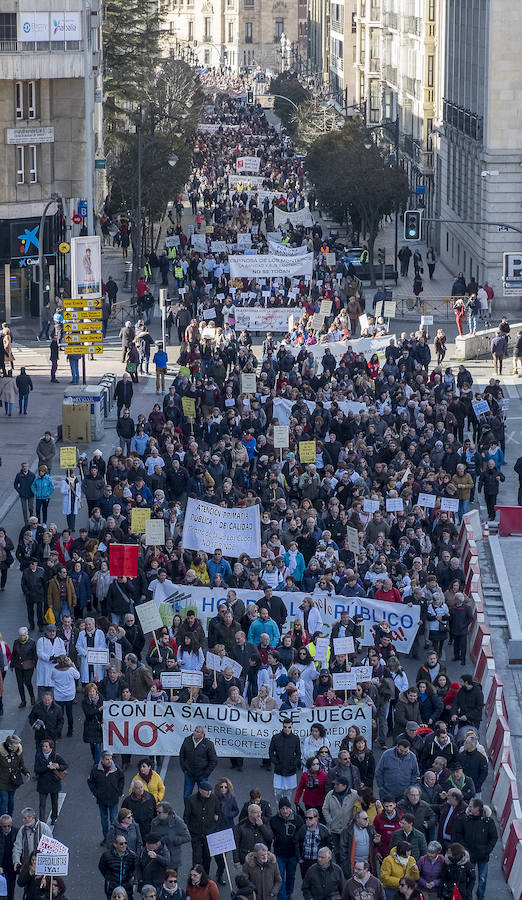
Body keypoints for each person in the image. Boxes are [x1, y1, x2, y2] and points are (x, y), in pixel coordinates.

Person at [454, 798, 497, 900]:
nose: (468, 808)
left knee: (482, 879)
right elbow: (459, 834)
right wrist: (465, 850)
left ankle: (480, 897)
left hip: (483, 856)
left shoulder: (488, 821)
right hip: (469, 856)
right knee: (469, 878)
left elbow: (494, 837)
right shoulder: (464, 819)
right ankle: (469, 897)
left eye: (470, 806)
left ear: (477, 808)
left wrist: (487, 850)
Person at [87, 750, 125, 842]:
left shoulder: (116, 769)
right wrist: (96, 793)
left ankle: (115, 838)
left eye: (111, 759)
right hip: (102, 799)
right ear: (102, 760)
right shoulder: (96, 770)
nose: (109, 761)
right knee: (104, 821)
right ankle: (106, 838)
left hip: (113, 798)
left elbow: (122, 779)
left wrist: (119, 792)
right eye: (107, 759)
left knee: (114, 820)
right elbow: (91, 782)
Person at [183, 780, 219, 876]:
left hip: (209, 833)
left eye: (210, 790)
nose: (209, 792)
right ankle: (195, 875)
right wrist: (189, 830)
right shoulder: (190, 800)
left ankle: (205, 875)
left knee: (207, 856)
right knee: (197, 857)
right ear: (200, 790)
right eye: (206, 790)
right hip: (196, 833)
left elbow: (218, 811)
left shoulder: (214, 799)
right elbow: (186, 816)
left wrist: (215, 821)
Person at [270, 797, 303, 900]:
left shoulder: (298, 820)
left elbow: (302, 838)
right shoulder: (274, 820)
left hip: (293, 854)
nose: (285, 811)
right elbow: (269, 836)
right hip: (279, 854)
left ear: (290, 808)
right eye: (282, 808)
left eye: (287, 808)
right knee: (279, 878)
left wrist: (300, 854)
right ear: (279, 809)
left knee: (291, 876)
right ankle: (282, 897)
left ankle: (289, 893)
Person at [34, 738, 68, 825]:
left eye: (46, 746)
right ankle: (42, 821)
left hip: (54, 783)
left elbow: (65, 765)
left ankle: (54, 818)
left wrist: (58, 766)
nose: (44, 748)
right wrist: (47, 767)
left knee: (54, 802)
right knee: (42, 804)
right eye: (43, 746)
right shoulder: (38, 756)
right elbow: (36, 769)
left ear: (51, 748)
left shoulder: (56, 756)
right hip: (42, 784)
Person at [151, 802, 191, 874]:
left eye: (159, 812)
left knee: (170, 882)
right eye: (156, 811)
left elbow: (187, 837)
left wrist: (172, 839)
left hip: (172, 858)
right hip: (159, 857)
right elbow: (151, 838)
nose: (157, 814)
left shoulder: (178, 822)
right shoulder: (154, 822)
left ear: (167, 813)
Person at [179, 727, 218, 799]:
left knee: (204, 795)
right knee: (186, 796)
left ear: (203, 734)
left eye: (198, 732)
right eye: (195, 731)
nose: (195, 733)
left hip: (202, 775)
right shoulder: (187, 740)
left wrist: (206, 773)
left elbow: (213, 760)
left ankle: (202, 809)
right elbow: (182, 755)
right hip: (189, 774)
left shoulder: (209, 744)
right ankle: (188, 810)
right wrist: (184, 769)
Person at [268, 720, 301, 801]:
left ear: (292, 726)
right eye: (285, 727)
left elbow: (298, 753)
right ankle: (280, 809)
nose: (287, 729)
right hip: (279, 769)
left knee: (288, 792)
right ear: (282, 726)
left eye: (289, 727)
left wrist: (294, 764)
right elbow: (271, 752)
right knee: (277, 791)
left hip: (290, 769)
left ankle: (287, 809)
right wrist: (276, 762)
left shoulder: (295, 738)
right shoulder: (276, 738)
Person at [50, 655, 80, 737]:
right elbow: (78, 676)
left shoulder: (54, 670)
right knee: (69, 714)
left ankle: (59, 732)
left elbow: (52, 678)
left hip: (59, 695)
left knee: (59, 714)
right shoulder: (71, 670)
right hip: (69, 695)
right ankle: (70, 730)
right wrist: (73, 665)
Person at [0, 735, 30, 816]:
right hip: (2, 781)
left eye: (18, 743)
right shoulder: (1, 752)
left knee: (11, 801)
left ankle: (9, 818)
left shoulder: (18, 751)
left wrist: (26, 772)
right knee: (4, 800)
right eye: (16, 743)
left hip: (13, 780)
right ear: (10, 744)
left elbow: (21, 764)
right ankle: (2, 821)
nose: (18, 745)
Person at [0, 813, 18, 900]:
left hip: (11, 865)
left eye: (9, 826)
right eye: (4, 826)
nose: (7, 828)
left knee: (11, 887)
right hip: (1, 863)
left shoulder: (16, 832)